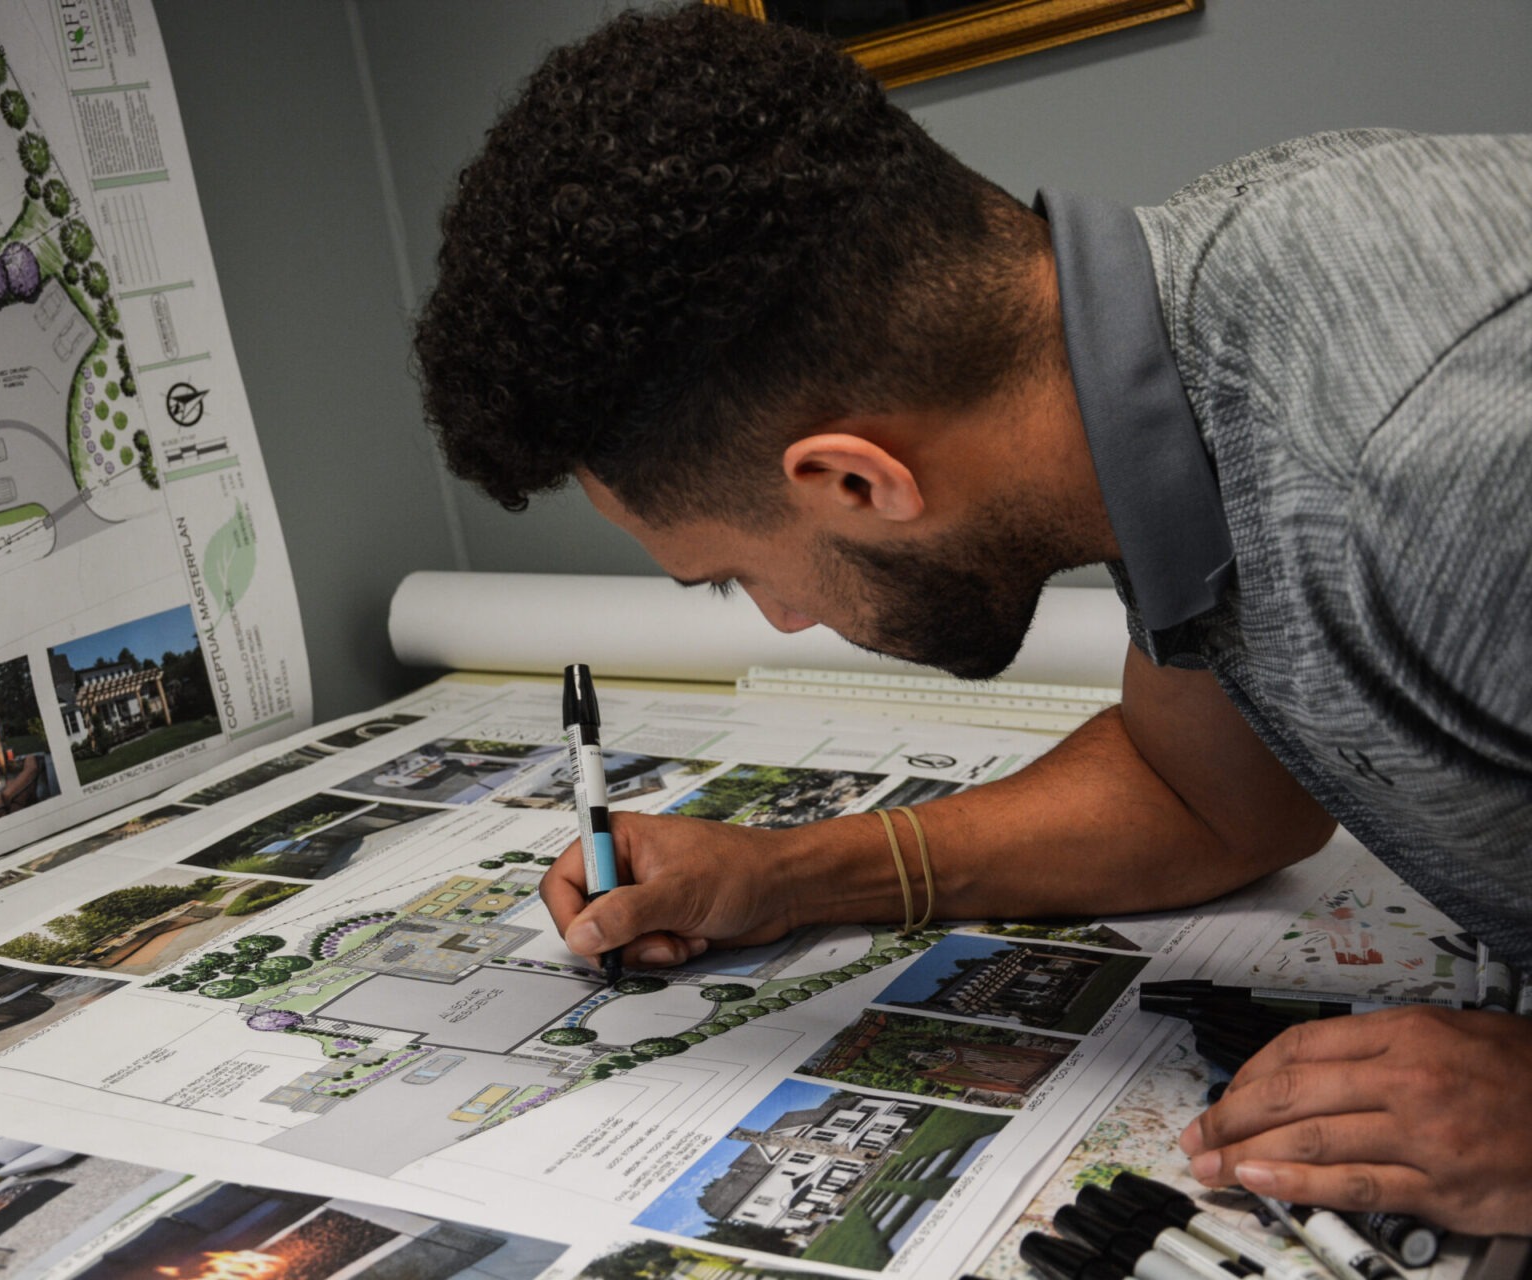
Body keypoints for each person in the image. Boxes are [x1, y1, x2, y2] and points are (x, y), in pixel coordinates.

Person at [411, 5, 1532, 1233]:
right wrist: (789, 877)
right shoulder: (1187, 359)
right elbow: (1207, 795)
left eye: (739, 577)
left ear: (856, 482)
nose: (781, 621)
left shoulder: (1432, 471)